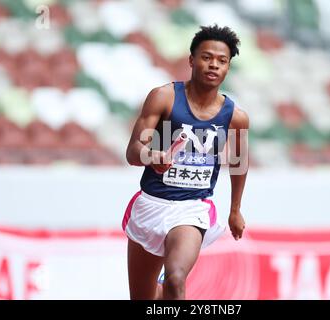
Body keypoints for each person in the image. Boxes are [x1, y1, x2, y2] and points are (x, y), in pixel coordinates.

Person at [123, 25, 249, 300]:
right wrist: (151, 156)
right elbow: (133, 151)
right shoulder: (164, 98)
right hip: (152, 204)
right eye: (206, 57)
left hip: (192, 209)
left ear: (228, 67)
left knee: (176, 278)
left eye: (222, 60)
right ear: (192, 60)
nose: (213, 64)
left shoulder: (235, 117)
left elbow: (239, 163)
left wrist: (235, 210)